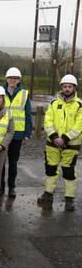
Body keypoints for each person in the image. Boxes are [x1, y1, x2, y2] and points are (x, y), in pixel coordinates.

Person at [37, 75, 82, 212]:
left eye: (70, 86)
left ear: (74, 88)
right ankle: (48, 194)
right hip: (53, 144)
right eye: (65, 86)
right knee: (50, 170)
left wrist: (65, 139)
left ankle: (69, 199)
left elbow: (79, 125)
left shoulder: (79, 104)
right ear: (61, 88)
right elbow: (48, 121)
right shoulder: (54, 103)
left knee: (69, 172)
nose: (67, 89)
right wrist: (55, 137)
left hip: (71, 145)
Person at [0, 67, 32, 198]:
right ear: (6, 78)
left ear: (19, 80)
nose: (13, 80)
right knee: (1, 162)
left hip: (17, 134)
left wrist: (27, 133)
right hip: (1, 133)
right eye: (11, 78)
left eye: (15, 78)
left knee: (13, 163)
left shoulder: (24, 94)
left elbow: (28, 114)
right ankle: (0, 186)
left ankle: (11, 187)